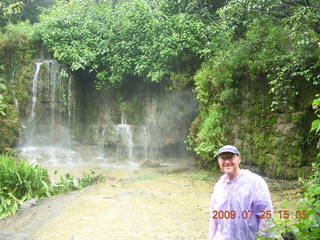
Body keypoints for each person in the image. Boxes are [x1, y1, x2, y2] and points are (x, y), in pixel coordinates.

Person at [208, 145, 273, 240]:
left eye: (230, 157)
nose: (226, 162)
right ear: (218, 161)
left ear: (239, 159)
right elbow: (214, 219)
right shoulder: (219, 186)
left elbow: (266, 215)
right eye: (223, 158)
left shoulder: (255, 182)